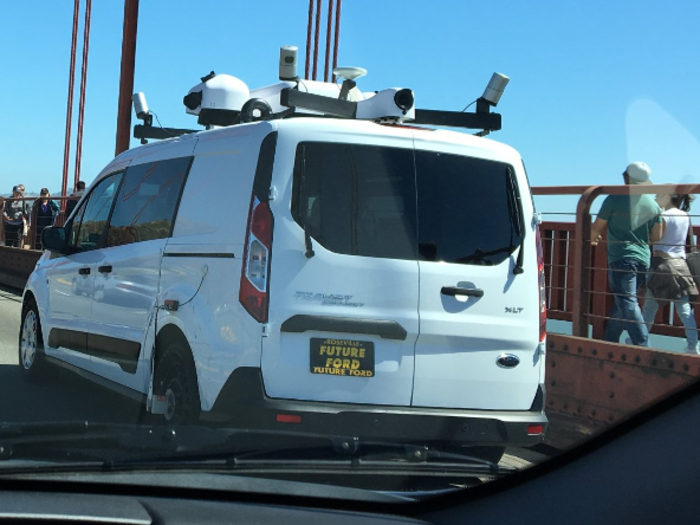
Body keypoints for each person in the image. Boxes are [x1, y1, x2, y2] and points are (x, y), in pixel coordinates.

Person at [591, 162, 663, 346]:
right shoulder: (653, 205)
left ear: (626, 178)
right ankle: (610, 340)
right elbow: (656, 235)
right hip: (643, 259)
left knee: (627, 300)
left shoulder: (614, 198)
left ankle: (641, 343)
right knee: (622, 301)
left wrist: (595, 237)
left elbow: (597, 227)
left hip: (621, 257)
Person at [642, 193, 699, 353]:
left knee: (649, 308)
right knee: (685, 310)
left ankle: (639, 340)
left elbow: (655, 238)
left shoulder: (662, 215)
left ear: (667, 197)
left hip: (662, 264)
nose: (655, 198)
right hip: (680, 265)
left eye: (658, 196)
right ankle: (693, 346)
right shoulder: (685, 216)